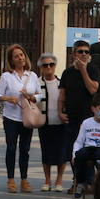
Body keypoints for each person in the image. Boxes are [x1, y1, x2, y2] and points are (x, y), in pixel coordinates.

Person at [0, 44, 39, 194]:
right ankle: (11, 179)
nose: (20, 58)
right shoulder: (7, 76)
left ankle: (24, 180)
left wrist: (31, 97)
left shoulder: (32, 76)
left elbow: (39, 94)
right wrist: (6, 98)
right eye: (16, 56)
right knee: (11, 148)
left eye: (22, 55)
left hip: (27, 117)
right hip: (11, 117)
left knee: (25, 149)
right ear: (11, 60)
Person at [60, 40, 100, 148]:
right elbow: (62, 95)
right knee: (72, 149)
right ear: (74, 54)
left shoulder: (93, 69)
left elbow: (92, 89)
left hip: (89, 117)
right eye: (80, 51)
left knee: (88, 148)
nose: (84, 54)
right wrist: (60, 112)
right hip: (72, 117)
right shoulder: (67, 72)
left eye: (86, 52)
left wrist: (83, 69)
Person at [36, 52, 68, 191]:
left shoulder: (61, 82)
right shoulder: (37, 83)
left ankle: (59, 181)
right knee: (46, 152)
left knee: (61, 153)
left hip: (60, 122)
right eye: (45, 65)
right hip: (44, 122)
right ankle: (47, 180)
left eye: (51, 64)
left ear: (55, 66)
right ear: (41, 67)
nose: (48, 67)